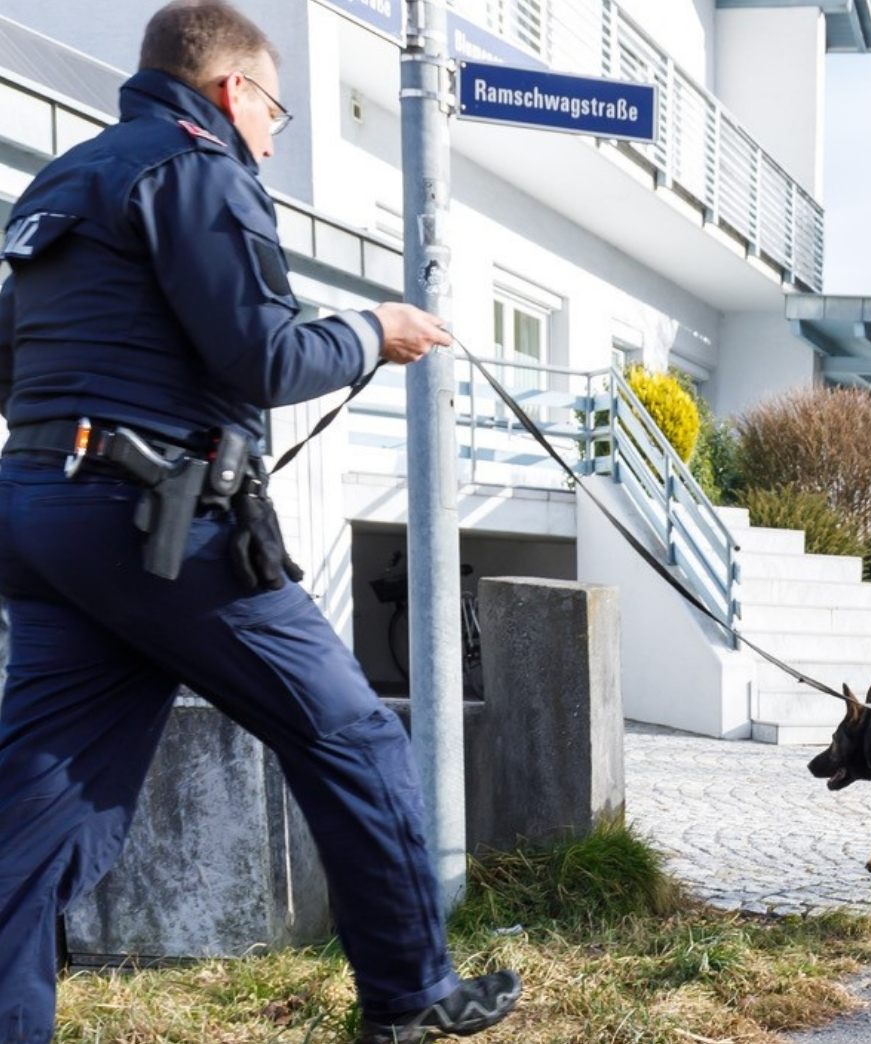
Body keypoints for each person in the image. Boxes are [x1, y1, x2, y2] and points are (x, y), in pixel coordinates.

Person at [0, 2, 521, 1041]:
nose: (276, 139)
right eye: (275, 111)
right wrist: (374, 330)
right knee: (355, 736)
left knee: (34, 816)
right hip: (157, 523)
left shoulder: (65, 177)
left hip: (40, 516)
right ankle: (412, 996)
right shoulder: (196, 165)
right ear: (234, 90)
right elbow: (266, 357)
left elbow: (15, 364)